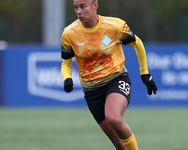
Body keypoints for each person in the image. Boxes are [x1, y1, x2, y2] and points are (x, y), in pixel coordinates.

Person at [61, 0, 157, 149]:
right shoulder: (69, 33)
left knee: (113, 118)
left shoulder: (115, 26)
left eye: (82, 6)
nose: (78, 11)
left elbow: (137, 43)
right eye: (75, 8)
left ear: (95, 5)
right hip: (91, 91)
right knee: (117, 142)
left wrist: (144, 73)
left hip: (116, 79)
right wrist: (67, 78)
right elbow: (66, 63)